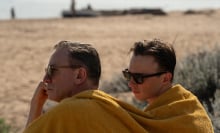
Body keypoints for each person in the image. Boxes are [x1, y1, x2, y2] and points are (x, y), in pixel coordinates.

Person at [122, 39, 214, 132]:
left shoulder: (188, 119)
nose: (130, 83)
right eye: (128, 75)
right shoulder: (154, 115)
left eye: (139, 78)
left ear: (165, 78)